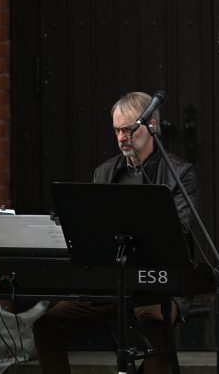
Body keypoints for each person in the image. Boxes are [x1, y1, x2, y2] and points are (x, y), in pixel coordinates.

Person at [33, 91, 197, 374]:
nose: (121, 138)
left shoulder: (179, 173)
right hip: (109, 282)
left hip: (156, 282)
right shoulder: (105, 172)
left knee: (157, 327)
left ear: (152, 127)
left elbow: (179, 229)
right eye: (117, 131)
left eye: (129, 130)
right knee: (47, 326)